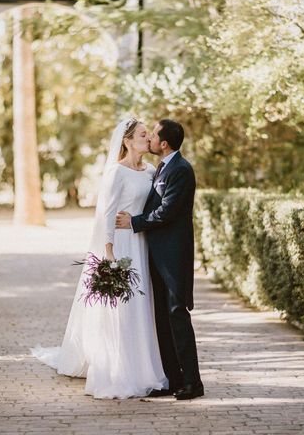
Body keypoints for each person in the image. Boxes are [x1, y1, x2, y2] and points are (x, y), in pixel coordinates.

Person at [32, 118, 168, 399]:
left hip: (141, 243)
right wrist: (109, 254)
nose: (148, 138)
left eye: (148, 134)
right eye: (143, 135)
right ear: (127, 141)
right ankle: (118, 369)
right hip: (120, 244)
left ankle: (145, 367)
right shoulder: (116, 173)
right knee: (121, 307)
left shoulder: (151, 171)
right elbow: (106, 213)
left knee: (142, 305)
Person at [116, 119, 204, 400]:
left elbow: (166, 212)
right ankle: (172, 380)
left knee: (178, 316)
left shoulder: (181, 170)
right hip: (156, 255)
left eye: (153, 135)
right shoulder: (160, 169)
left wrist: (134, 222)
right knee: (162, 319)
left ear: (163, 144)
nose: (150, 139)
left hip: (174, 256)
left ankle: (193, 382)